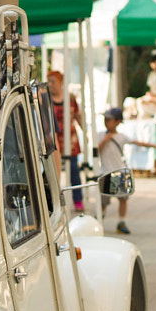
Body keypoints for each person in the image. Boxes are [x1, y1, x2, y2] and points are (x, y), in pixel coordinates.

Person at [45, 67, 84, 209]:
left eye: (53, 82)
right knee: (54, 170)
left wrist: (84, 132)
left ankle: (78, 199)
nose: (50, 84)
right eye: (48, 81)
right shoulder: (46, 98)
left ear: (60, 82)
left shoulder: (70, 98)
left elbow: (78, 116)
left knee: (74, 170)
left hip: (70, 140)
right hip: (54, 140)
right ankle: (54, 198)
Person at [93, 106, 130, 235]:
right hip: (106, 173)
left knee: (123, 199)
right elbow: (95, 151)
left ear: (117, 122)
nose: (106, 122)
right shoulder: (100, 135)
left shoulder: (121, 137)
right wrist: (104, 140)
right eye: (105, 119)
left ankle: (122, 221)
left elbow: (137, 142)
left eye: (109, 119)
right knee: (104, 201)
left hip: (119, 171)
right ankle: (99, 219)